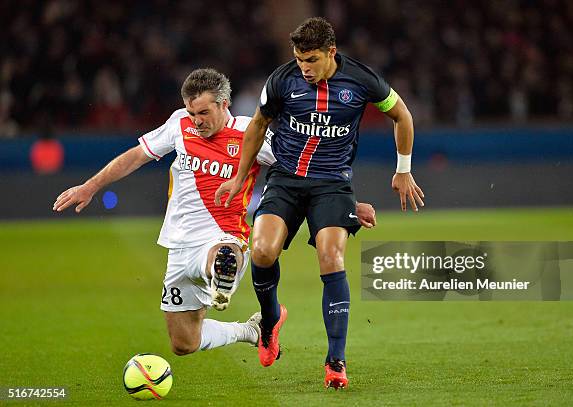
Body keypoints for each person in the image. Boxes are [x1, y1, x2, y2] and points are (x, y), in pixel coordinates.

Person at [52, 68, 377, 358]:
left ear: (224, 104)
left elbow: (303, 170)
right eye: (193, 112)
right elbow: (136, 156)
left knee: (222, 257)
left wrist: (347, 203)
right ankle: (249, 330)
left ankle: (222, 270)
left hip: (224, 235)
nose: (197, 120)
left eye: (204, 112)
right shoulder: (179, 124)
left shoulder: (251, 132)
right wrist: (90, 186)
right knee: (183, 343)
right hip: (179, 245)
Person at [215, 17, 425, 389]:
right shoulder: (282, 79)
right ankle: (269, 321)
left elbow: (401, 115)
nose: (304, 68)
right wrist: (238, 176)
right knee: (262, 251)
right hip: (285, 178)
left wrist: (403, 169)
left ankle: (336, 360)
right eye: (299, 60)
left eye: (311, 60)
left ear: (331, 52)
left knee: (331, 257)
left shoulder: (362, 80)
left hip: (333, 184)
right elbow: (258, 126)